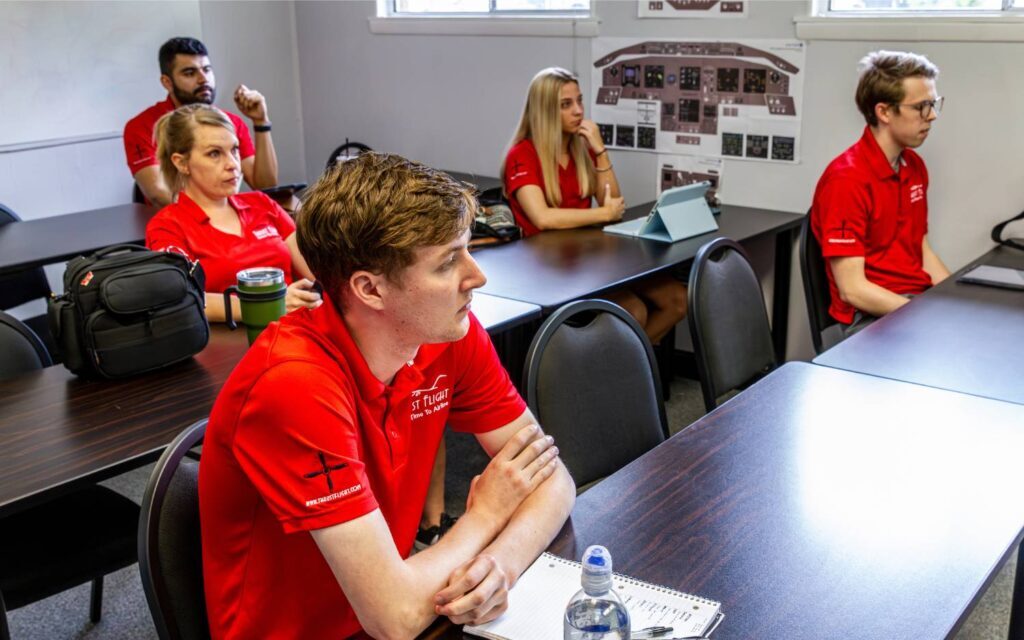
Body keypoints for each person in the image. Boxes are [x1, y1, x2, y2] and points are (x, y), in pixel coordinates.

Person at [198, 152, 576, 639]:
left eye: (466, 250)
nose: (475, 276)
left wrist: (501, 564)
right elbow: (394, 619)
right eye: (447, 262)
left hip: (402, 603)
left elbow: (553, 479)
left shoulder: (446, 334)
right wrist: (486, 515)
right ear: (369, 290)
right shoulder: (294, 384)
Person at [501, 67, 687, 344]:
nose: (578, 111)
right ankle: (613, 375)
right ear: (544, 111)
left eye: (579, 101)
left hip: (588, 259)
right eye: (566, 104)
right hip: (547, 268)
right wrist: (603, 213)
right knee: (633, 311)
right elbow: (542, 218)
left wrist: (600, 150)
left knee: (677, 299)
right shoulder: (522, 155)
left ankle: (627, 369)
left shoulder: (582, 147)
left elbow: (611, 199)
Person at [811, 50, 951, 333]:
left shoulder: (914, 166)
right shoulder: (846, 180)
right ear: (884, 111)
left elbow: (920, 250)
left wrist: (956, 301)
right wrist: (928, 315)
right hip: (870, 316)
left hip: (912, 300)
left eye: (934, 104)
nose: (932, 116)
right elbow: (853, 290)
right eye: (921, 107)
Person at [145, 104, 319, 322]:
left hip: (296, 328)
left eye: (235, 150)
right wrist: (271, 303)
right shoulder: (167, 226)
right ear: (181, 163)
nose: (233, 164)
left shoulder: (262, 203)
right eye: (214, 153)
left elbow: (316, 269)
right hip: (229, 344)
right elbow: (184, 297)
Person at [124, 37, 279, 207]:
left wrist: (261, 121)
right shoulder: (141, 127)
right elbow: (158, 193)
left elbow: (266, 186)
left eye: (207, 70)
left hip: (228, 214)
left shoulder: (230, 121)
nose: (203, 79)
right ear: (167, 82)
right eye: (190, 73)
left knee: (293, 207)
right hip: (182, 222)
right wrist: (213, 220)